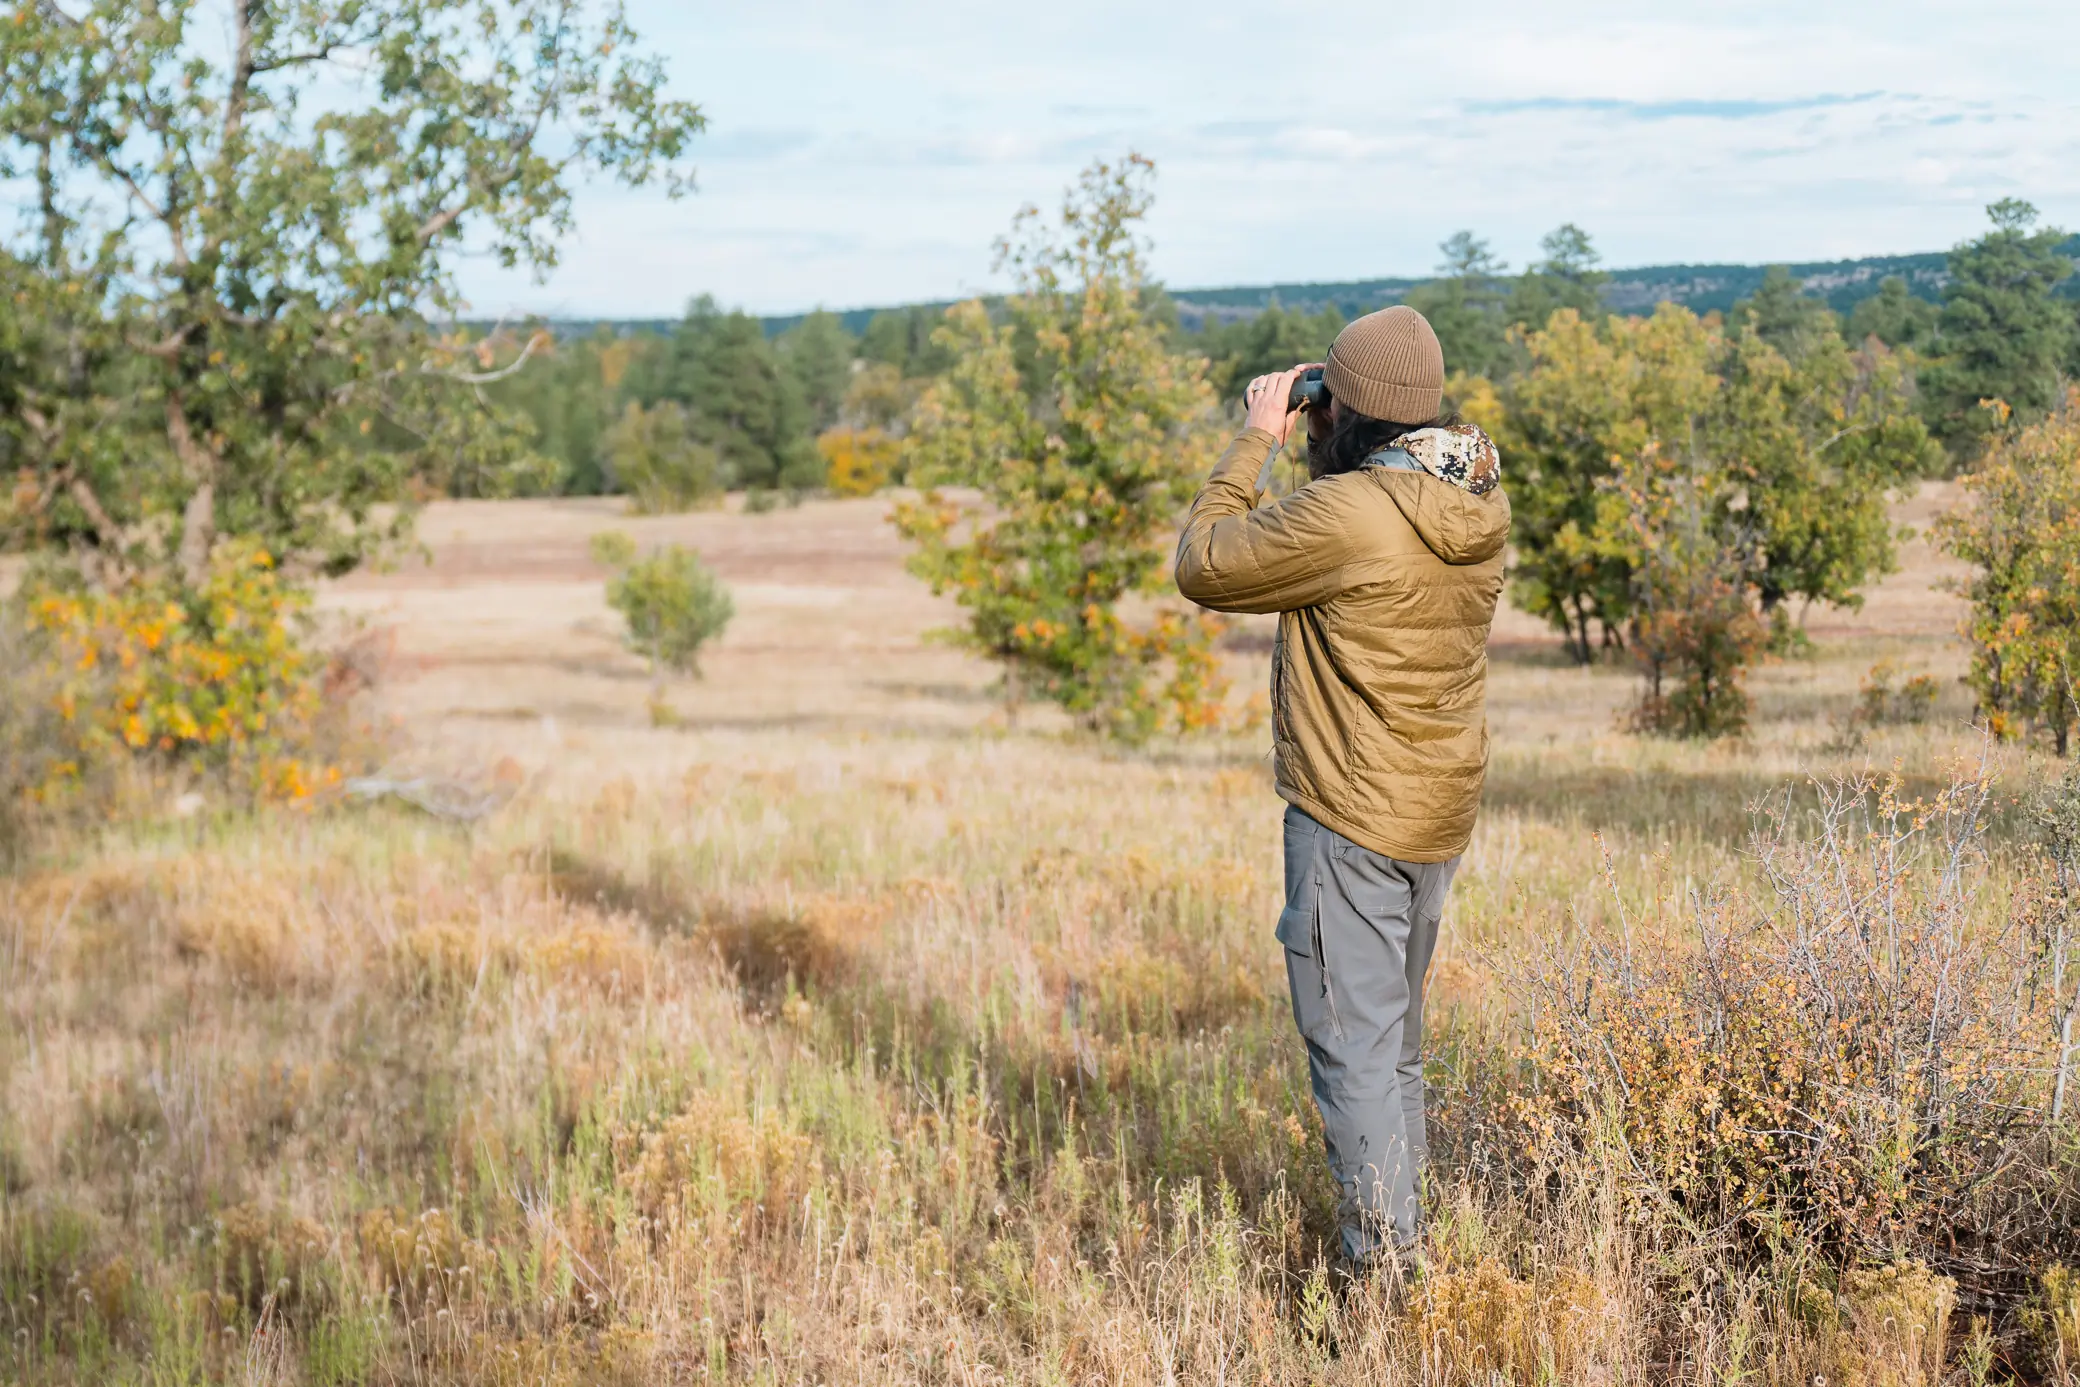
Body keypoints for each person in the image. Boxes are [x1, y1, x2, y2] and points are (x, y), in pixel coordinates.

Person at [1173, 305, 1510, 1271]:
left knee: (1353, 1053)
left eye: (1328, 398)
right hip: (1433, 810)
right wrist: (1337, 426)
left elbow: (1205, 562)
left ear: (1346, 412)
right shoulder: (1472, 494)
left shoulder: (1351, 513)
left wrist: (1257, 437)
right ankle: (1406, 1252)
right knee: (1392, 1047)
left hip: (1351, 818)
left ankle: (1385, 1283)